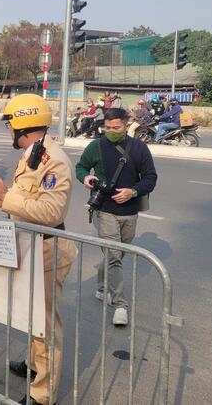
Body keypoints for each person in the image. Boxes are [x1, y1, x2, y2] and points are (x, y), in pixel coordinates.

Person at [0, 93, 76, 405]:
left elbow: (50, 213)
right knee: (31, 314)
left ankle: (42, 394)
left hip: (49, 248)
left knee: (46, 325)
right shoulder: (32, 154)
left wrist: (5, 194)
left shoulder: (55, 162)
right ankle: (35, 366)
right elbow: (21, 204)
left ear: (23, 124)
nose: (9, 130)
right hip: (30, 245)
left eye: (11, 124)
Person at [75, 108, 157, 326]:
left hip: (130, 212)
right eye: (107, 127)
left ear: (126, 125)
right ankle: (120, 305)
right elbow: (81, 167)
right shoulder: (96, 146)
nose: (110, 131)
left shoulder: (139, 148)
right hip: (104, 210)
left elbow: (150, 178)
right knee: (113, 254)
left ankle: (102, 286)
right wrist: (86, 178)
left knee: (117, 254)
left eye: (115, 128)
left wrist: (133, 191)